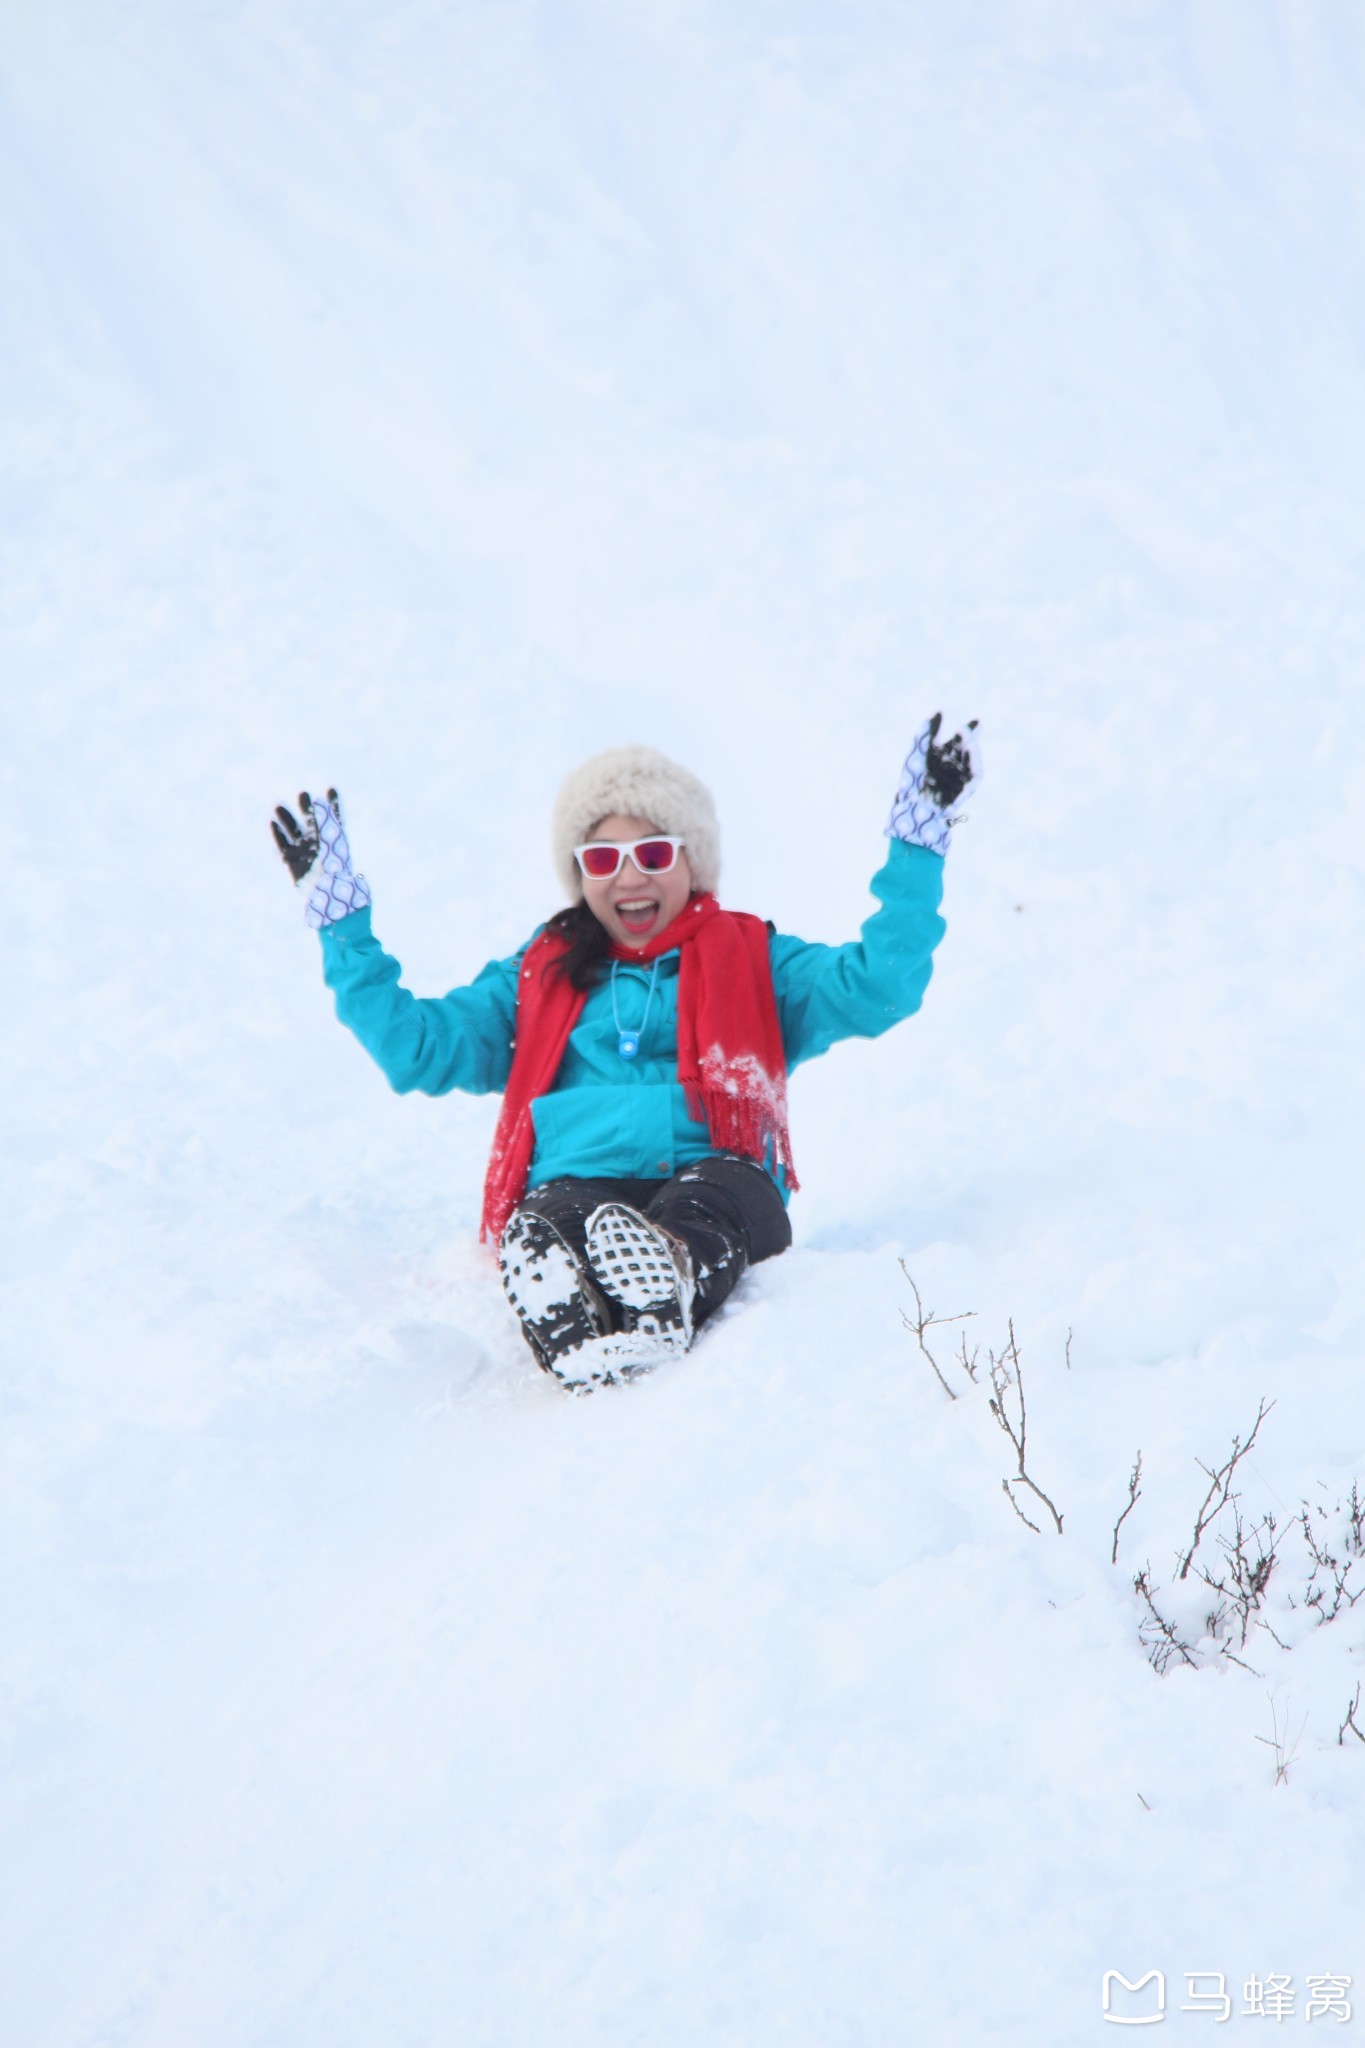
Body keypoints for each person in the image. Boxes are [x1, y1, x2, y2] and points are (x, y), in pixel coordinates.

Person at [270, 717, 980, 1392]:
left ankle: (667, 1273)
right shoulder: (538, 977)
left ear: (691, 863)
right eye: (603, 859)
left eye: (653, 854)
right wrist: (341, 928)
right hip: (578, 1175)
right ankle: (569, 1315)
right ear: (579, 876)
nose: (629, 877)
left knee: (711, 1203)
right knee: (550, 1224)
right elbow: (416, 1050)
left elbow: (876, 986)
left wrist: (916, 849)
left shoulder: (755, 962)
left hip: (717, 1171)